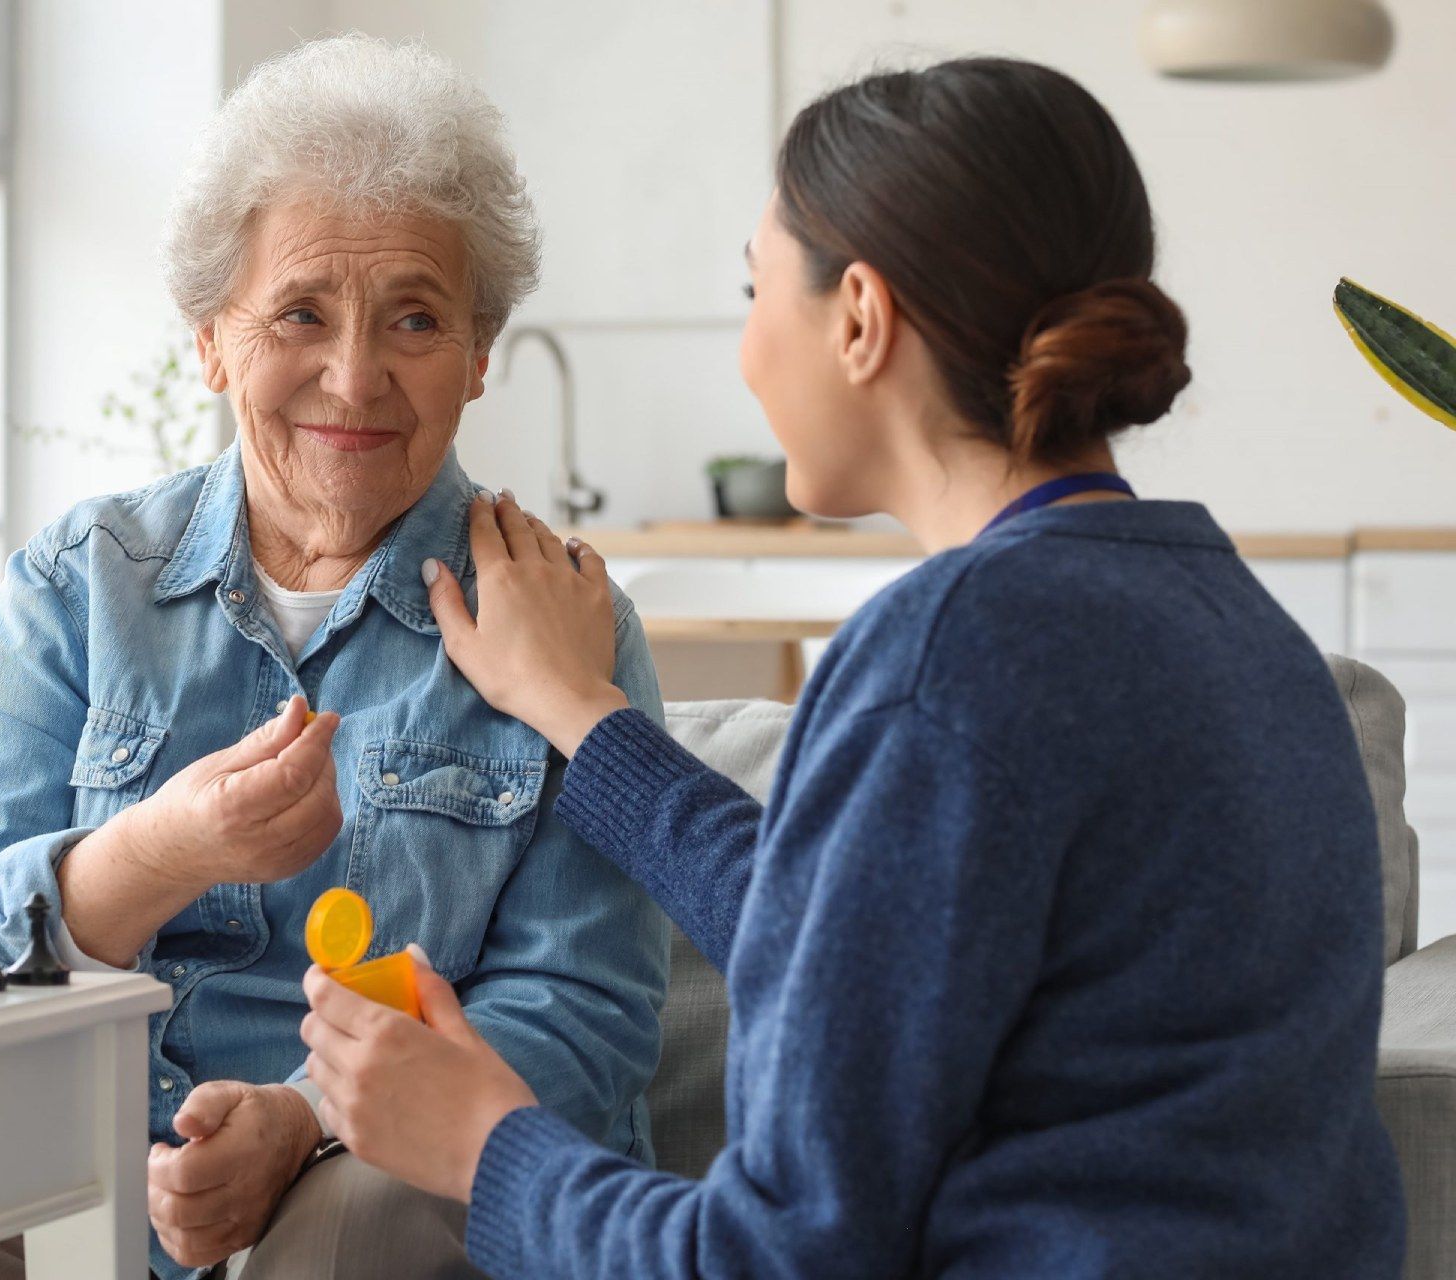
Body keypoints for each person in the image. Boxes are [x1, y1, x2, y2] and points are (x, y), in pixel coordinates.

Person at [299, 57, 1407, 1278]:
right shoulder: (1236, 623)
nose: (746, 355)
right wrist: (581, 712)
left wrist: (481, 1139)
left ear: (862, 318)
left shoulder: (946, 657)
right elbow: (854, 930)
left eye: (753, 289)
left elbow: (775, 1256)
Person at [0, 35, 668, 1280]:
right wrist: (158, 850)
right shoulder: (76, 588)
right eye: (300, 311)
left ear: (475, 355)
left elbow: (586, 1009)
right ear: (212, 342)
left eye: (414, 316)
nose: (354, 377)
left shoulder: (564, 619)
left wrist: (305, 1119)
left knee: (362, 1221)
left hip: (382, 1194)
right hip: (84, 1179)